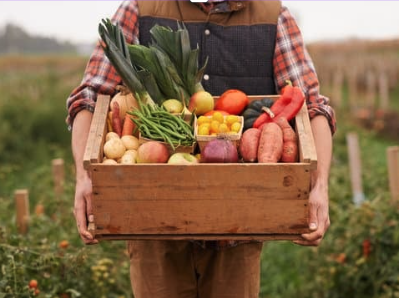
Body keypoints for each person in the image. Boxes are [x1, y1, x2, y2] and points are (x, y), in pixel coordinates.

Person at [67, 1, 336, 297]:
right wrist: (84, 176)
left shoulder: (272, 16)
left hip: (239, 226)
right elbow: (90, 97)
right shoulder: (139, 9)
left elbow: (312, 108)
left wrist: (319, 186)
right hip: (155, 224)